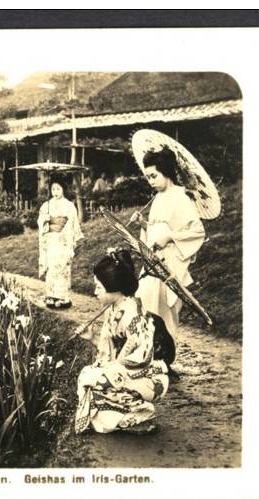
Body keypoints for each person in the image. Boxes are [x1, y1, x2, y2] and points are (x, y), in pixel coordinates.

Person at [74, 250, 169, 435]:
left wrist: (113, 369)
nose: (95, 292)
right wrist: (92, 338)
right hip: (122, 373)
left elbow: (141, 355)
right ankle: (124, 418)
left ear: (113, 287)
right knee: (88, 375)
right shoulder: (114, 308)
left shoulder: (132, 312)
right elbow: (108, 351)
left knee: (91, 379)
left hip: (144, 375)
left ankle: (140, 414)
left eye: (98, 287)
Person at [130, 148, 206, 381]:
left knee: (165, 310)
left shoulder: (180, 197)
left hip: (171, 261)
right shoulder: (159, 198)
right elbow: (155, 230)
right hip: (154, 262)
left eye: (154, 176)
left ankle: (165, 361)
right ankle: (149, 357)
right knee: (145, 303)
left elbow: (197, 230)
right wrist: (144, 224)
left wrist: (171, 237)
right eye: (148, 177)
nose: (151, 181)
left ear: (166, 172)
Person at [37, 178, 83, 309]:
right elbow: (40, 222)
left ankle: (63, 298)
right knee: (51, 268)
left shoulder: (69, 205)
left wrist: (63, 233)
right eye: (53, 189)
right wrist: (45, 220)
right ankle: (51, 296)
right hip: (51, 239)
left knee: (62, 268)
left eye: (58, 189)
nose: (55, 192)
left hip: (63, 240)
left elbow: (72, 222)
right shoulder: (46, 205)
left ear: (63, 189)